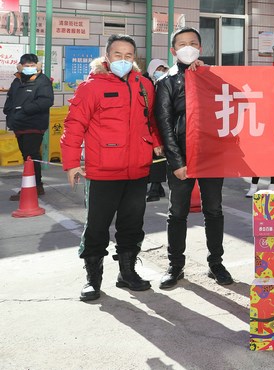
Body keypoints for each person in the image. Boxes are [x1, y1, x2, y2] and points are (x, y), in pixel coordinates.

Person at [61, 34, 160, 302]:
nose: (123, 60)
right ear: (107, 56)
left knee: (132, 225)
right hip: (102, 172)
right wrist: (71, 163)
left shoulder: (144, 85)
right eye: (118, 54)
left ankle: (127, 273)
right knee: (96, 227)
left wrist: (157, 144)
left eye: (129, 55)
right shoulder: (91, 87)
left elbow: (151, 120)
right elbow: (74, 125)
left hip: (137, 170)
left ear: (134, 58)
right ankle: (93, 279)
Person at [155, 27, 233, 289]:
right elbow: (164, 124)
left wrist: (207, 74)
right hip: (182, 157)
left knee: (214, 210)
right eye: (182, 44)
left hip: (212, 154)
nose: (188, 47)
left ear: (200, 48)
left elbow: (237, 101)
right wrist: (177, 162)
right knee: (177, 213)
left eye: (193, 43)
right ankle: (175, 265)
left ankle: (216, 264)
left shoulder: (213, 76)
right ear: (173, 50)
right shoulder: (166, 81)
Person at [5, 53, 54, 200]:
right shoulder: (17, 81)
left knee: (31, 156)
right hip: (19, 124)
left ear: (38, 66)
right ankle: (35, 186)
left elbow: (46, 101)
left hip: (34, 124)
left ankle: (34, 187)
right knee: (27, 156)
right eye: (27, 65)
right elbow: (10, 99)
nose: (30, 68)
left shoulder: (42, 81)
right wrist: (9, 112)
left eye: (33, 65)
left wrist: (25, 109)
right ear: (20, 66)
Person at [144, 58, 170, 202]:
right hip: (148, 126)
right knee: (152, 158)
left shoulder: (166, 82)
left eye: (163, 69)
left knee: (159, 158)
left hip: (161, 125)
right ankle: (157, 188)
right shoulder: (145, 84)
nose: (160, 72)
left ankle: (155, 188)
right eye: (158, 69)